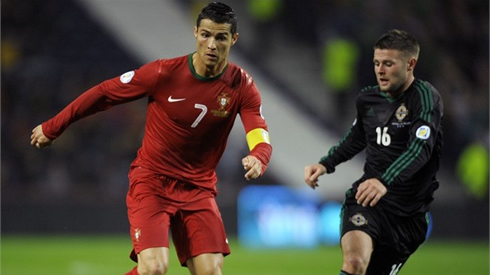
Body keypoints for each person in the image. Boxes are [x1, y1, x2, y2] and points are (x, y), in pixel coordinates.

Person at [30, 2, 272, 275]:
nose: (212, 44)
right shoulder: (164, 73)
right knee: (154, 268)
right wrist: (54, 126)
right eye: (206, 34)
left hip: (198, 189)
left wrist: (259, 156)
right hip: (153, 181)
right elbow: (104, 93)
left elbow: (258, 130)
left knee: (211, 272)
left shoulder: (242, 85)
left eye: (221, 37)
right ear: (195, 33)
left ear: (234, 39)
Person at [304, 29, 443, 275]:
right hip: (368, 202)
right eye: (377, 63)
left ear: (411, 64)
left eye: (388, 64)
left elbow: (420, 148)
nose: (380, 70)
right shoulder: (368, 99)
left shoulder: (424, 97)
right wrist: (326, 163)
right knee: (355, 264)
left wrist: (385, 180)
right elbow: (356, 138)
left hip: (408, 218)